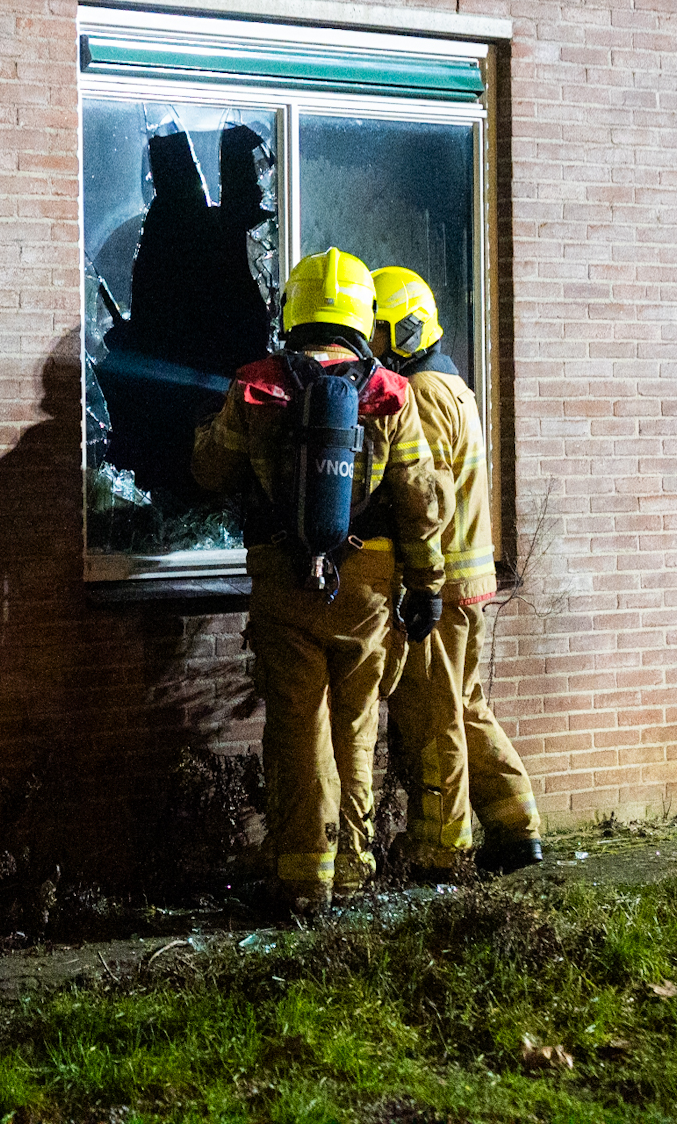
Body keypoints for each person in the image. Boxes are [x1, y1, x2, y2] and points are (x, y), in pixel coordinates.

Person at [193, 249, 451, 913]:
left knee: (297, 725)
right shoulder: (390, 391)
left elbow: (212, 472)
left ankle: (305, 877)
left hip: (283, 578)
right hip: (367, 579)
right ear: (362, 314)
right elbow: (419, 497)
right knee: (356, 722)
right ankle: (357, 865)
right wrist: (426, 584)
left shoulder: (256, 384)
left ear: (294, 308)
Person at [369, 266, 546, 876]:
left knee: (433, 715)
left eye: (379, 327)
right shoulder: (455, 385)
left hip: (438, 587)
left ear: (407, 328)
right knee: (465, 703)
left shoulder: (417, 395)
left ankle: (440, 847)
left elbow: (424, 498)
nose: (370, 340)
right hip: (466, 583)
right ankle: (516, 824)